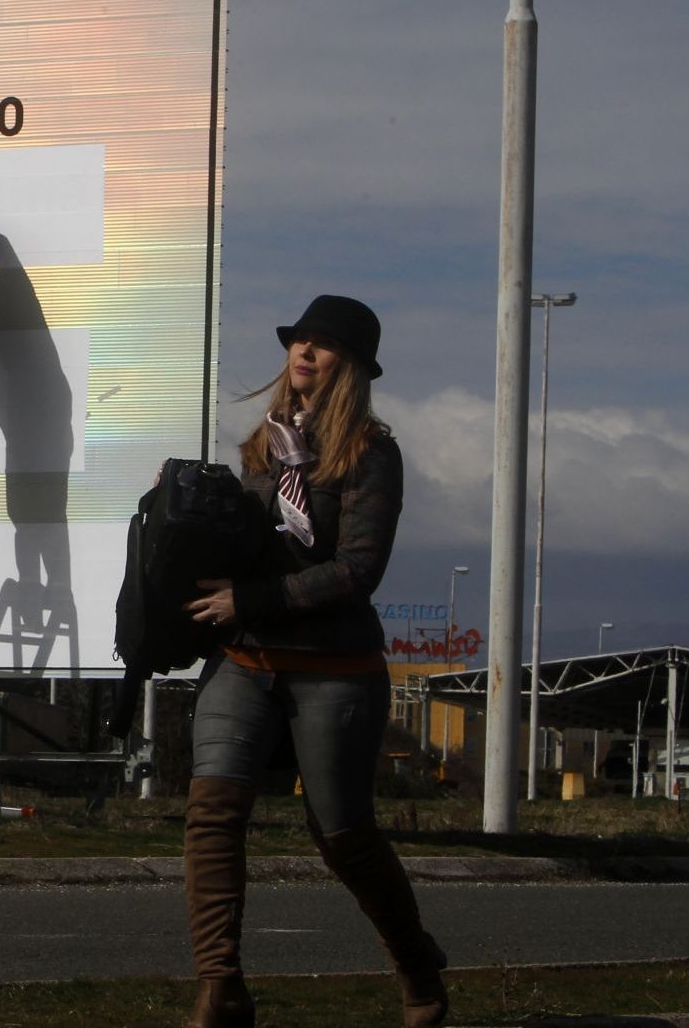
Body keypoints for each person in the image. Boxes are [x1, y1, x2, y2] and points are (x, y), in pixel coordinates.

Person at [179, 295, 446, 1027]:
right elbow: (246, 551)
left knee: (343, 837)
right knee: (212, 814)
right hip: (247, 656)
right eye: (300, 339)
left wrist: (254, 597)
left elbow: (358, 569)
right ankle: (220, 988)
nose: (305, 352)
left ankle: (418, 966)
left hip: (335, 668)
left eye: (324, 345)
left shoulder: (371, 453)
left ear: (351, 367)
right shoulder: (263, 446)